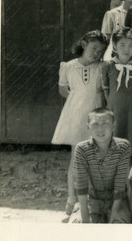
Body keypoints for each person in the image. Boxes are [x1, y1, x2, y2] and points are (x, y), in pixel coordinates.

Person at [52, 30, 108, 215]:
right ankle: (71, 199)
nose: (96, 53)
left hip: (96, 117)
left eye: (100, 50)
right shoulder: (68, 67)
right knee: (76, 159)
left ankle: (91, 202)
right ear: (84, 44)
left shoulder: (102, 67)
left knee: (96, 158)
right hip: (76, 117)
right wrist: (77, 101)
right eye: (94, 48)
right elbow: (63, 90)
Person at [69, 108, 131, 223]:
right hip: (91, 200)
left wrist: (114, 213)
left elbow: (120, 183)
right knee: (77, 227)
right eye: (95, 124)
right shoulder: (82, 149)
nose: (100, 129)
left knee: (120, 228)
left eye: (105, 124)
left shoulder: (123, 147)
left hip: (117, 201)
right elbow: (81, 184)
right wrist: (85, 218)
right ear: (88, 126)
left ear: (113, 126)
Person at [102, 28, 132, 155]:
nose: (126, 49)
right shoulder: (107, 66)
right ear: (115, 46)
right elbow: (105, 91)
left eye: (130, 45)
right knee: (113, 144)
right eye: (122, 45)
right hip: (114, 110)